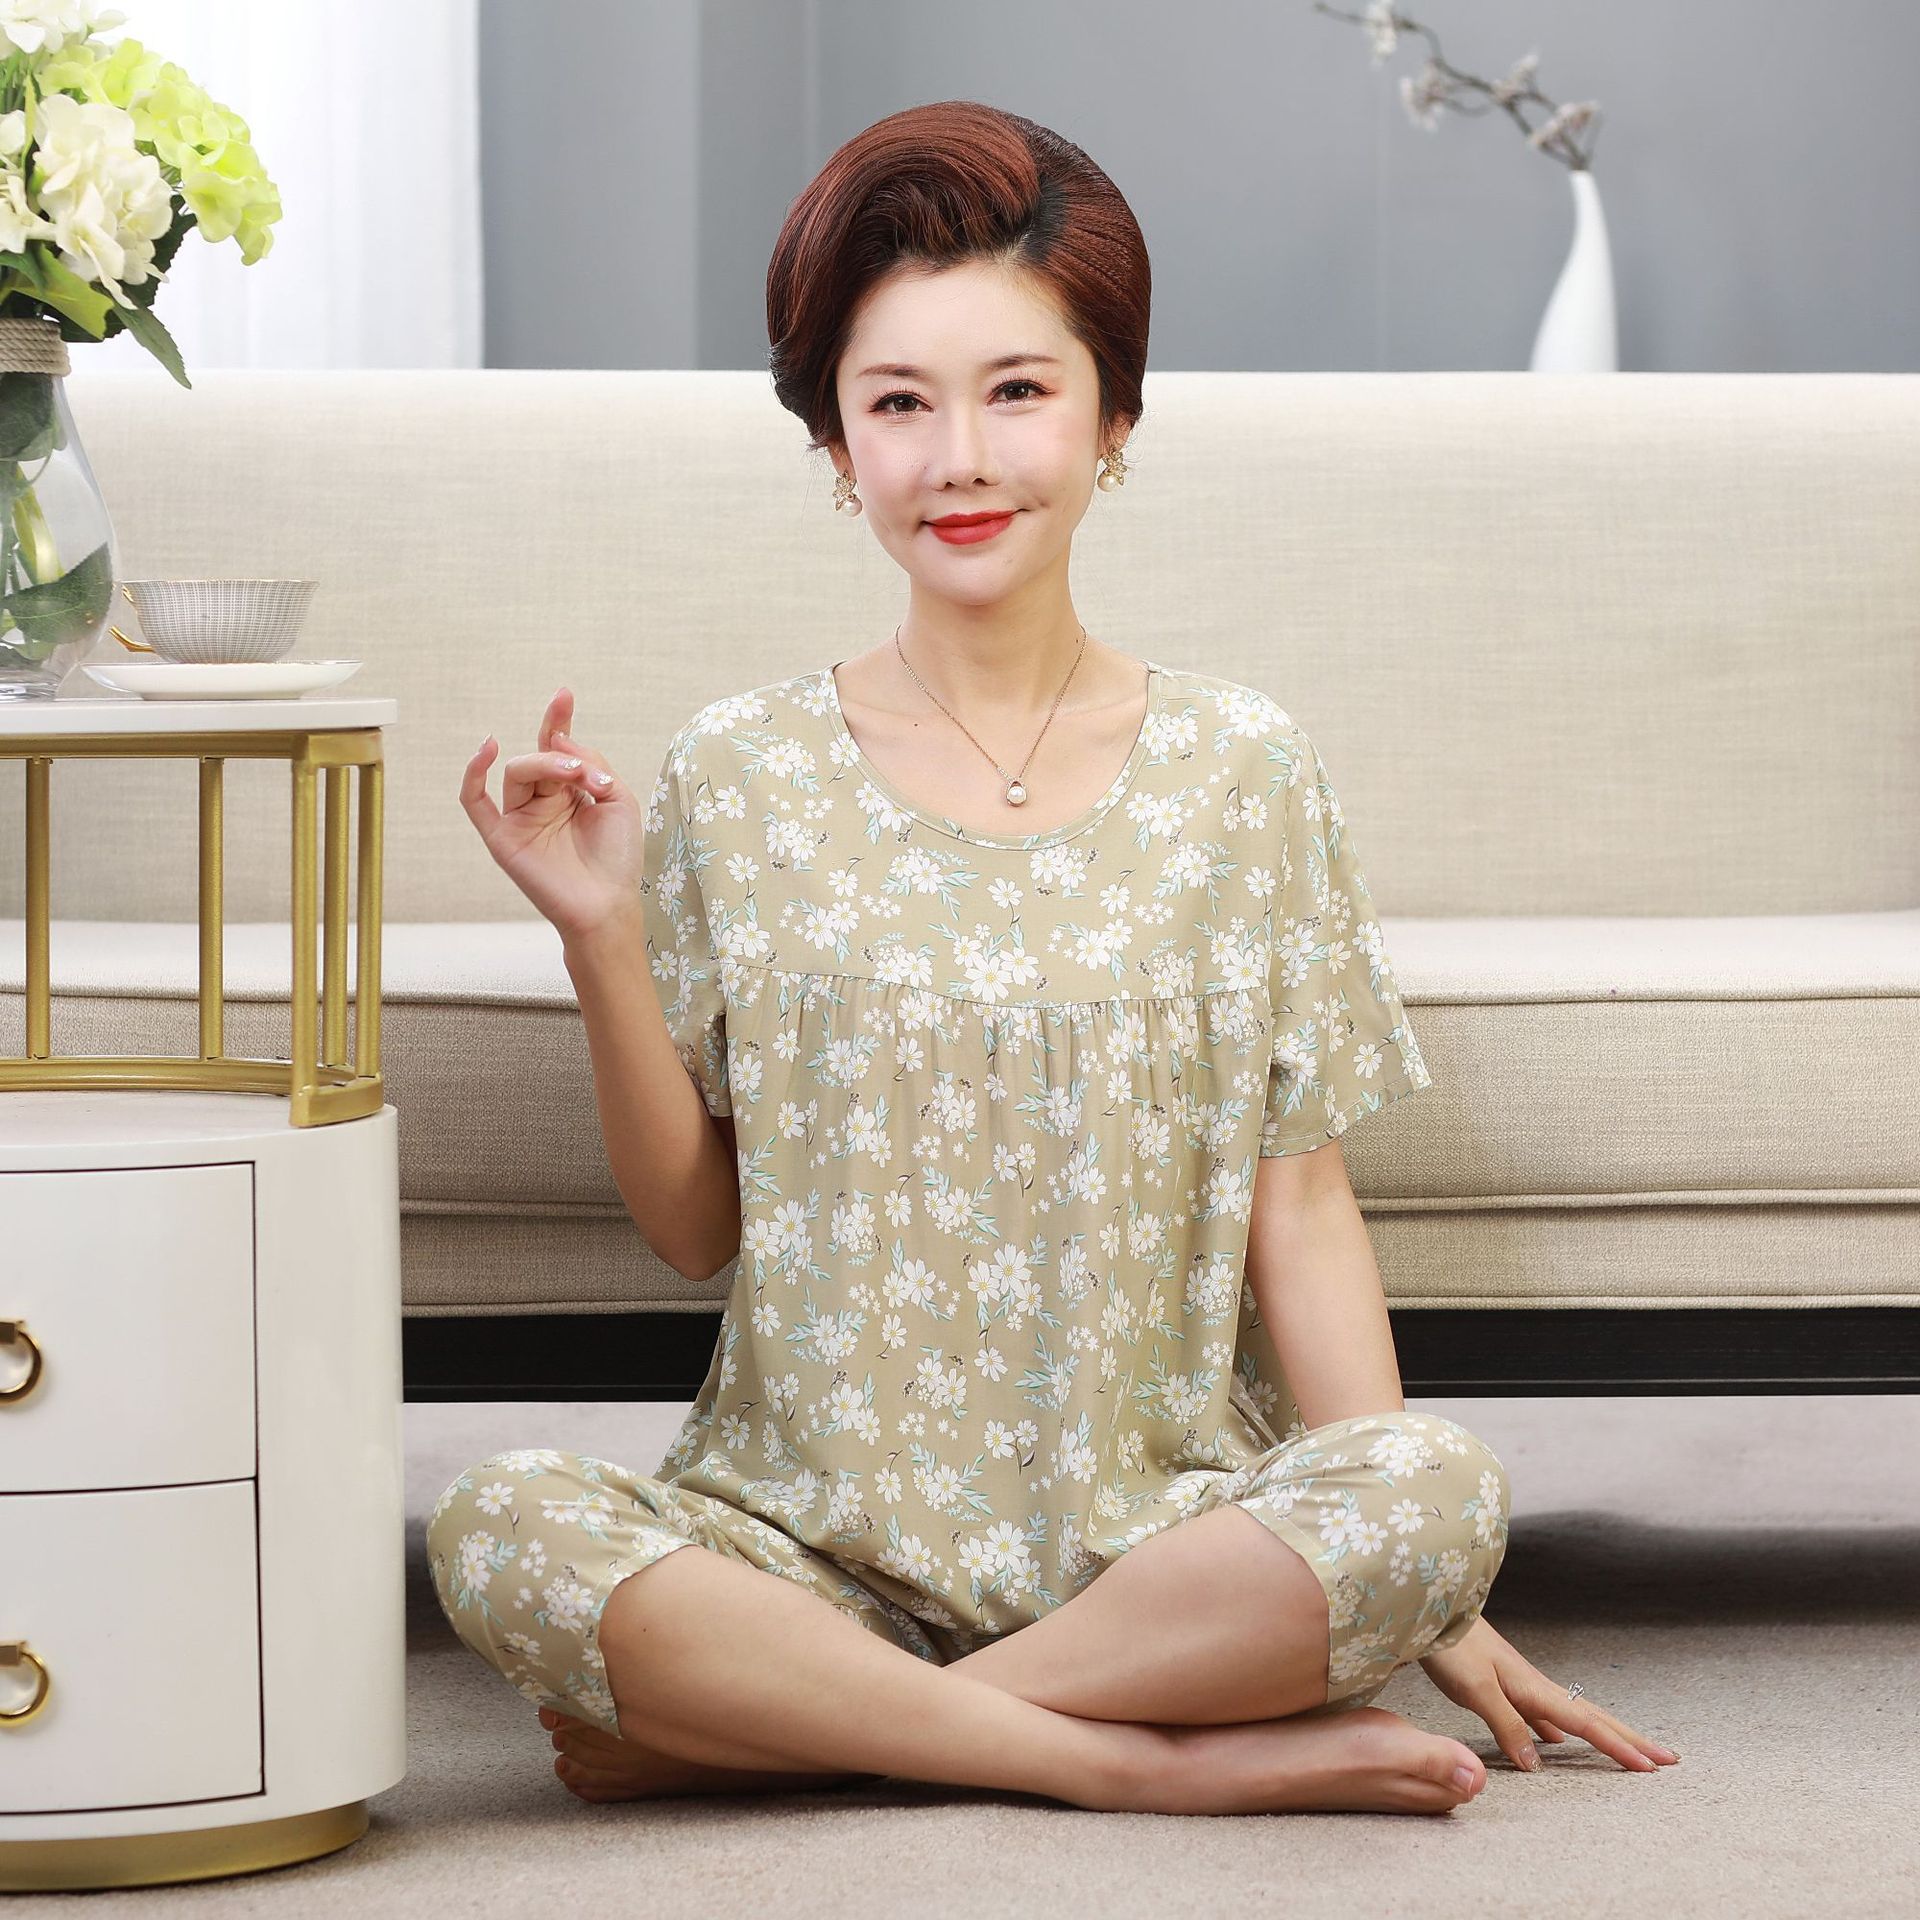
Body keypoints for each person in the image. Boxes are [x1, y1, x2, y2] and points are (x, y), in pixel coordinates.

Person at [433, 99, 1679, 1817]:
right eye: (898, 404)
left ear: (1116, 418)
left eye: (1017, 390)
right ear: (836, 444)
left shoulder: (1242, 768)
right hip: (799, 1547)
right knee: (499, 1525)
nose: (960, 457)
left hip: (1156, 1547)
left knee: (1437, 1489)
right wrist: (599, 939)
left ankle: (810, 1727)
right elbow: (696, 1228)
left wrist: (1437, 1598)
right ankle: (1143, 1768)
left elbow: (1302, 1212)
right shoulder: (740, 771)